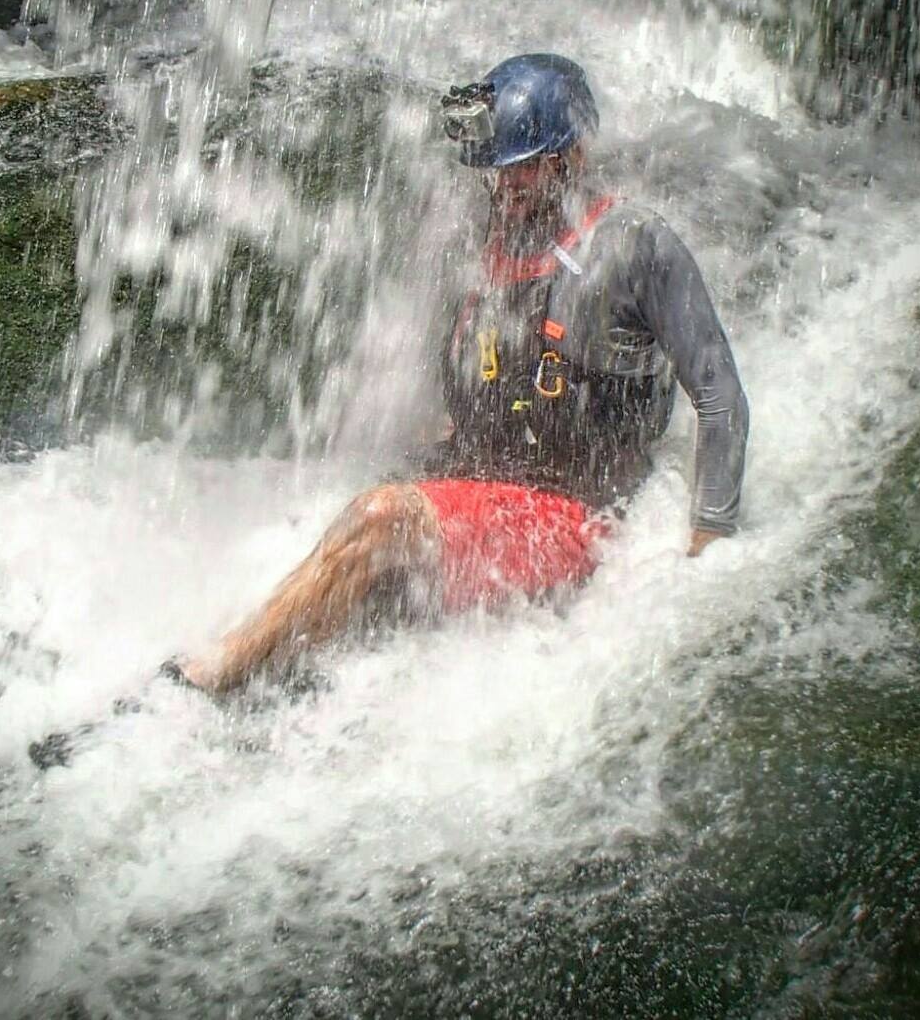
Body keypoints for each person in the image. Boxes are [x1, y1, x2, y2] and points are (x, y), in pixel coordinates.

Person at [175, 53, 748, 695]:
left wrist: (707, 553)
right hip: (492, 485)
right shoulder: (476, 244)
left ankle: (215, 677)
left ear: (572, 157)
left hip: (578, 516)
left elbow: (720, 396)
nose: (506, 188)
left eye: (522, 170)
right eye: (498, 173)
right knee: (340, 496)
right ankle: (273, 661)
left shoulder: (635, 244)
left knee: (381, 517)